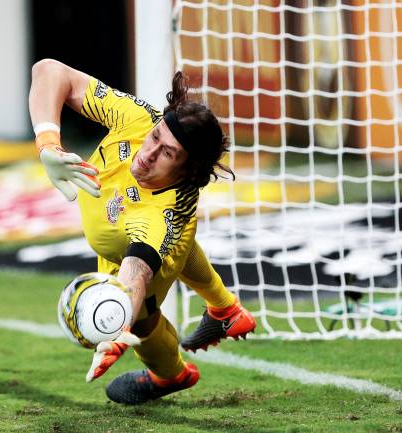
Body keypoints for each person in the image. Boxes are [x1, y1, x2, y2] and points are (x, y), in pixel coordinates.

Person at [28, 59, 256, 404]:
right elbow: (49, 71)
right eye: (156, 137)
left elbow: (135, 275)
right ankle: (225, 310)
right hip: (119, 227)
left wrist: (118, 330)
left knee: (143, 318)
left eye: (167, 153)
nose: (148, 154)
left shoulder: (160, 218)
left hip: (140, 242)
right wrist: (48, 144)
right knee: (175, 253)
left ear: (187, 170)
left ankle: (171, 376)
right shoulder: (137, 117)